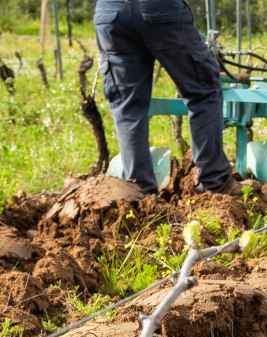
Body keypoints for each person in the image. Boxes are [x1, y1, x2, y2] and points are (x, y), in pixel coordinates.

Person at [93, 0, 235, 194]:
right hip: (159, 9)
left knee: (128, 108)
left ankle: (139, 192)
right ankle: (213, 181)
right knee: (203, 90)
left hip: (111, 12)